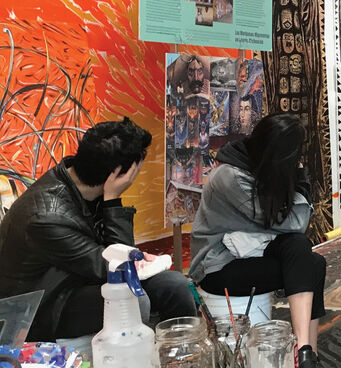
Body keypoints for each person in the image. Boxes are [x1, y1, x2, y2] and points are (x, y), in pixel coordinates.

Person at [0, 119, 195, 341]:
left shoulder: (84, 184)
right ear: (119, 174)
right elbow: (114, 268)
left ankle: (183, 358)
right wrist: (112, 201)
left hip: (77, 280)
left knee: (174, 285)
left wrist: (137, 258)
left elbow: (116, 257)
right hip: (44, 308)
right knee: (128, 299)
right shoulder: (45, 218)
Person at [189, 114, 329, 368]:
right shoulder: (229, 177)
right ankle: (304, 352)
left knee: (312, 260)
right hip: (219, 267)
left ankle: (307, 352)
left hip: (251, 251)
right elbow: (292, 222)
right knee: (303, 254)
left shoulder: (257, 168)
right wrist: (300, 178)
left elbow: (287, 228)